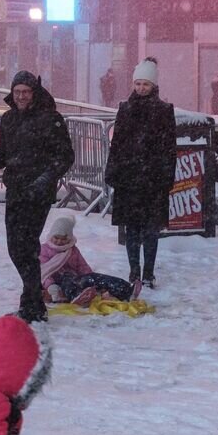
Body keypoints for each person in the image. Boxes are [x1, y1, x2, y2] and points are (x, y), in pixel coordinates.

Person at [0, 71, 74, 323]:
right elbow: (5, 153)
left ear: (34, 93)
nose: (21, 96)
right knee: (16, 247)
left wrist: (46, 178)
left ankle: (32, 304)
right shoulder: (9, 119)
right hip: (15, 188)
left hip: (39, 191)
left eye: (26, 92)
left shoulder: (50, 119)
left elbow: (65, 156)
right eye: (17, 92)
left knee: (26, 245)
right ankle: (33, 300)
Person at [105, 58, 175, 290]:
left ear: (153, 85)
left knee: (151, 229)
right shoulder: (125, 109)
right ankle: (134, 270)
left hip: (152, 179)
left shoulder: (164, 111)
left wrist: (166, 176)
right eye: (138, 84)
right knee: (132, 229)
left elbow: (169, 147)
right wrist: (113, 171)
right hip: (129, 177)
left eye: (145, 84)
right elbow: (117, 143)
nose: (141, 88)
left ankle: (148, 273)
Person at [39, 214, 136, 306]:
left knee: (97, 278)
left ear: (69, 238)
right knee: (66, 276)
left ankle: (126, 289)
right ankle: (77, 296)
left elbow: (82, 265)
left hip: (76, 279)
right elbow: (42, 271)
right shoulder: (44, 250)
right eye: (56, 238)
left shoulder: (72, 250)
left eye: (63, 239)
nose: (59, 241)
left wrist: (91, 277)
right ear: (51, 235)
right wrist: (50, 285)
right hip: (56, 283)